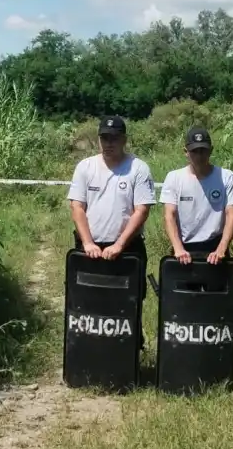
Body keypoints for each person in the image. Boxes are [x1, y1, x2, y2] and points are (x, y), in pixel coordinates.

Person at [67, 115, 156, 347]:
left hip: (127, 248)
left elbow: (142, 210)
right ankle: (90, 349)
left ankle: (129, 349)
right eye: (104, 138)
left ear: (124, 140)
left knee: (129, 302)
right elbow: (77, 207)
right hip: (90, 248)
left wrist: (119, 244)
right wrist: (88, 243)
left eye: (114, 138)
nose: (109, 143)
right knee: (89, 302)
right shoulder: (85, 167)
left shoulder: (138, 168)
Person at [159, 126, 233, 265]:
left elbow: (231, 215)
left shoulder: (226, 177)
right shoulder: (174, 178)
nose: (199, 156)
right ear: (186, 152)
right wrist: (178, 248)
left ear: (211, 150)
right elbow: (169, 215)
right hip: (184, 250)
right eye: (194, 151)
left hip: (215, 248)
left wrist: (221, 248)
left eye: (203, 150)